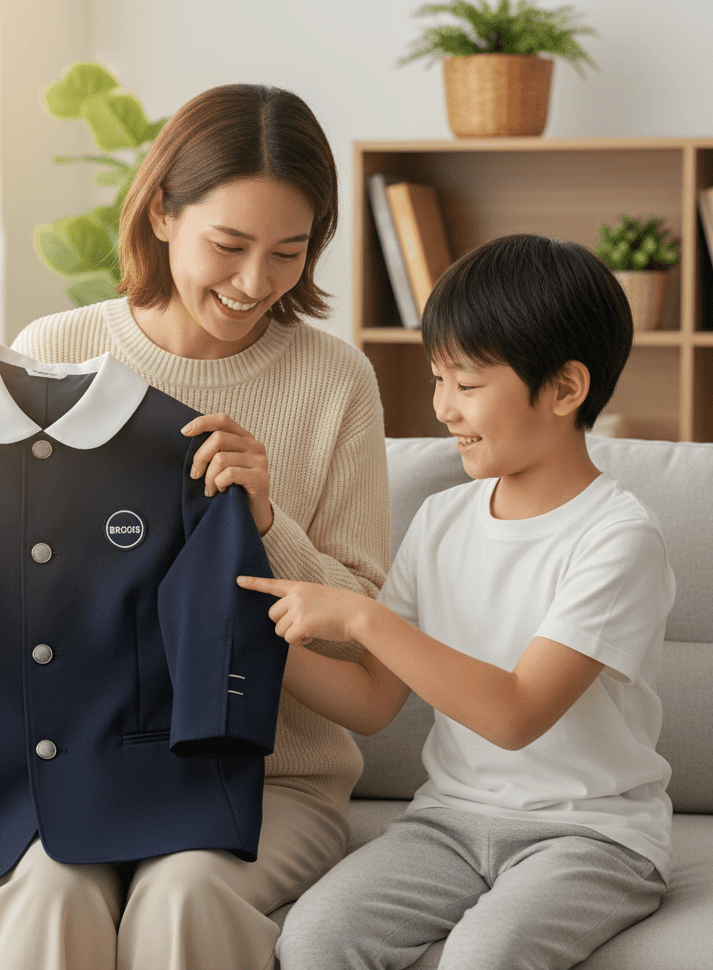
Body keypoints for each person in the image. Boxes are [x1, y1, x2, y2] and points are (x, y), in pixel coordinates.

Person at [0, 83, 390, 970]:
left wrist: (267, 521)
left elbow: (367, 652)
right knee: (48, 896)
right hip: (78, 760)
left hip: (272, 779)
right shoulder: (57, 348)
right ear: (163, 213)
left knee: (184, 897)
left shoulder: (336, 383)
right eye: (229, 245)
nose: (256, 283)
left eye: (288, 253)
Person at [240, 233, 675, 970]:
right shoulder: (443, 519)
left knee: (482, 956)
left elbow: (514, 715)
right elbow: (377, 703)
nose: (443, 408)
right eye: (437, 379)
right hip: (447, 824)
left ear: (566, 389)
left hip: (590, 835)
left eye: (467, 385)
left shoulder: (618, 539)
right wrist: (252, 643)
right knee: (313, 939)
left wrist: (361, 617)